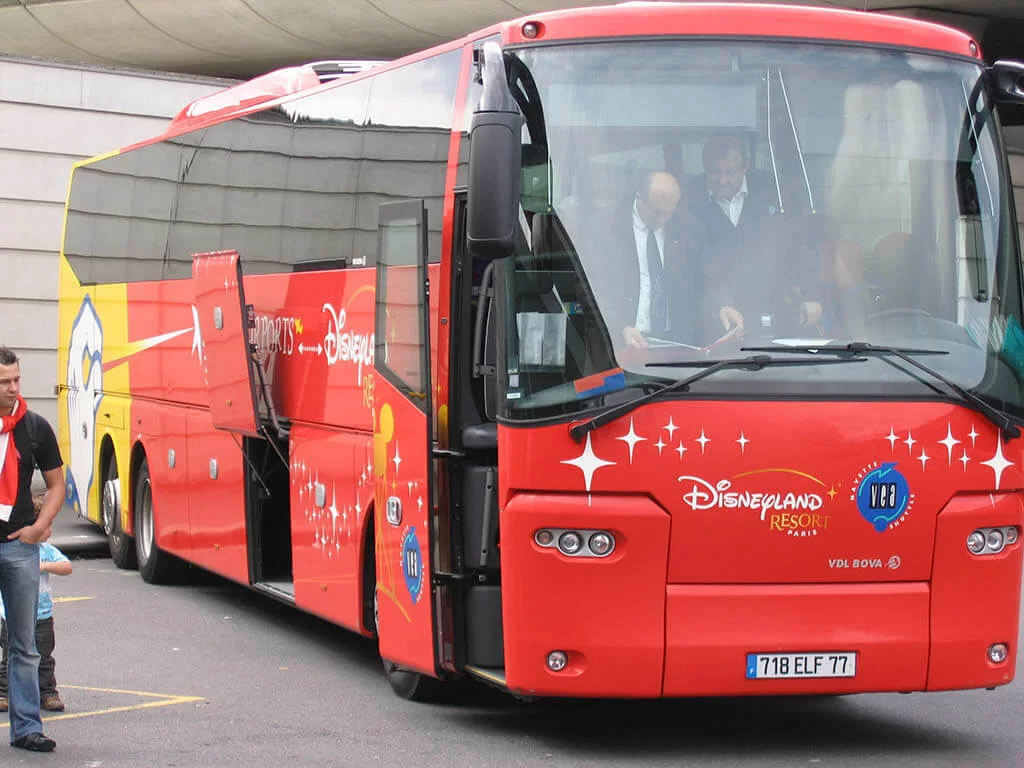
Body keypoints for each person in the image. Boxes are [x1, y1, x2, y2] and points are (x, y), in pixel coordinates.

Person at [589, 170, 743, 350]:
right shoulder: (605, 228)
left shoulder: (690, 229)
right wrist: (619, 327)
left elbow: (711, 276)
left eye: (668, 212)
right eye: (656, 212)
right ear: (639, 197)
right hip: (622, 343)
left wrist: (722, 304)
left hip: (675, 341)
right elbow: (596, 286)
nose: (662, 219)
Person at [692, 135, 824, 337]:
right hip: (716, 313)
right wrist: (717, 303)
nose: (722, 180)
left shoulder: (774, 191)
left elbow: (803, 242)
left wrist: (811, 294)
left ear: (746, 166)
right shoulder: (690, 199)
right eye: (715, 172)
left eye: (730, 172)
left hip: (774, 304)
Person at [0, 346, 64, 753]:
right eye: (4, 382)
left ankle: (26, 729)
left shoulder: (34, 427)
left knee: (24, 644)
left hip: (19, 548)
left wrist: (39, 528)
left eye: (17, 380)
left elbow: (57, 484)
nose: (13, 388)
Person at [0, 529, 72, 714]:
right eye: (44, 526)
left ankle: (47, 693)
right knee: (11, 655)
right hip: (12, 613)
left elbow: (67, 567)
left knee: (44, 656)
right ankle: (4, 693)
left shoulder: (46, 550)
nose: (48, 531)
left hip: (42, 614)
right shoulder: (12, 551)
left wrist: (44, 566)